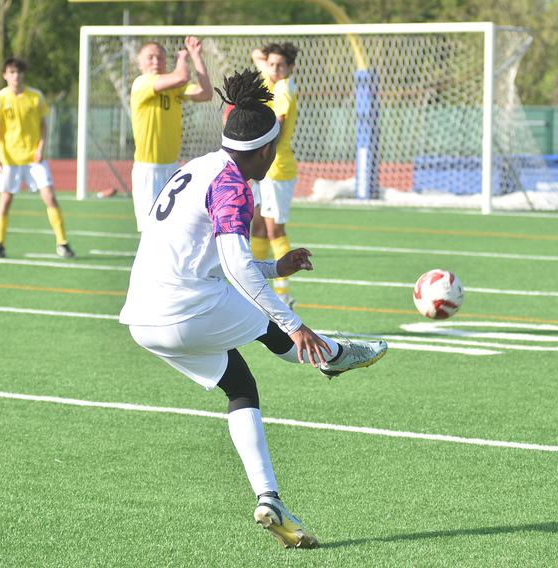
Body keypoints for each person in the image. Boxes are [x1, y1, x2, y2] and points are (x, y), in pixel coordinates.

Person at [119, 68, 387, 550]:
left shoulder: (196, 167)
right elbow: (236, 266)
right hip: (185, 309)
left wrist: (275, 265)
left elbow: (217, 258)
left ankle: (270, 499)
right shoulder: (233, 185)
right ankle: (331, 354)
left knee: (239, 384)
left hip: (143, 318)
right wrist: (293, 321)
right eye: (276, 146)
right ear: (264, 151)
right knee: (271, 328)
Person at [0, 57, 74, 259]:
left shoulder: (36, 96)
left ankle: (62, 243)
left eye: (19, 72)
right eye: (12, 72)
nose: (16, 76)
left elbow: (44, 125)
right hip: (9, 160)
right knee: (5, 201)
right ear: (5, 75)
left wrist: (41, 147)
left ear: (24, 74)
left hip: (34, 159)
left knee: (50, 197)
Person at [130, 36, 213, 231]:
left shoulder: (175, 89)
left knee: (172, 229)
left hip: (172, 168)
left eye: (160, 58)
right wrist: (182, 58)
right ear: (139, 63)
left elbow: (206, 93)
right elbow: (181, 76)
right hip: (149, 170)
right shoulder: (141, 83)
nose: (156, 62)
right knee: (151, 231)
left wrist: (196, 56)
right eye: (150, 57)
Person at [251, 43, 300, 307]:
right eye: (271, 64)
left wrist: (257, 147)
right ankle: (255, 288)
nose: (274, 69)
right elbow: (257, 54)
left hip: (277, 167)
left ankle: (283, 294)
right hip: (264, 166)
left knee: (274, 230)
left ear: (290, 68)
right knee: (257, 226)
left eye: (281, 65)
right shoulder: (272, 79)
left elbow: (278, 125)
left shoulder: (283, 87)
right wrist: (266, 58)